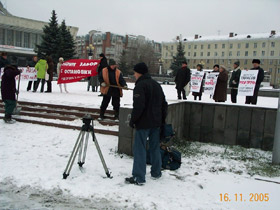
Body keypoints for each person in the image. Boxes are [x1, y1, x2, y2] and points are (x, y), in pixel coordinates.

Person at [126, 62, 168, 185]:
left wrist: (133, 120)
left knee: (140, 149)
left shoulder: (140, 86)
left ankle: (139, 177)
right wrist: (162, 120)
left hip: (143, 123)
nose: (134, 75)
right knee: (155, 148)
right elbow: (164, 104)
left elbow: (138, 106)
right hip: (156, 122)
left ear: (139, 72)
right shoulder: (156, 85)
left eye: (134, 72)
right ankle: (156, 172)